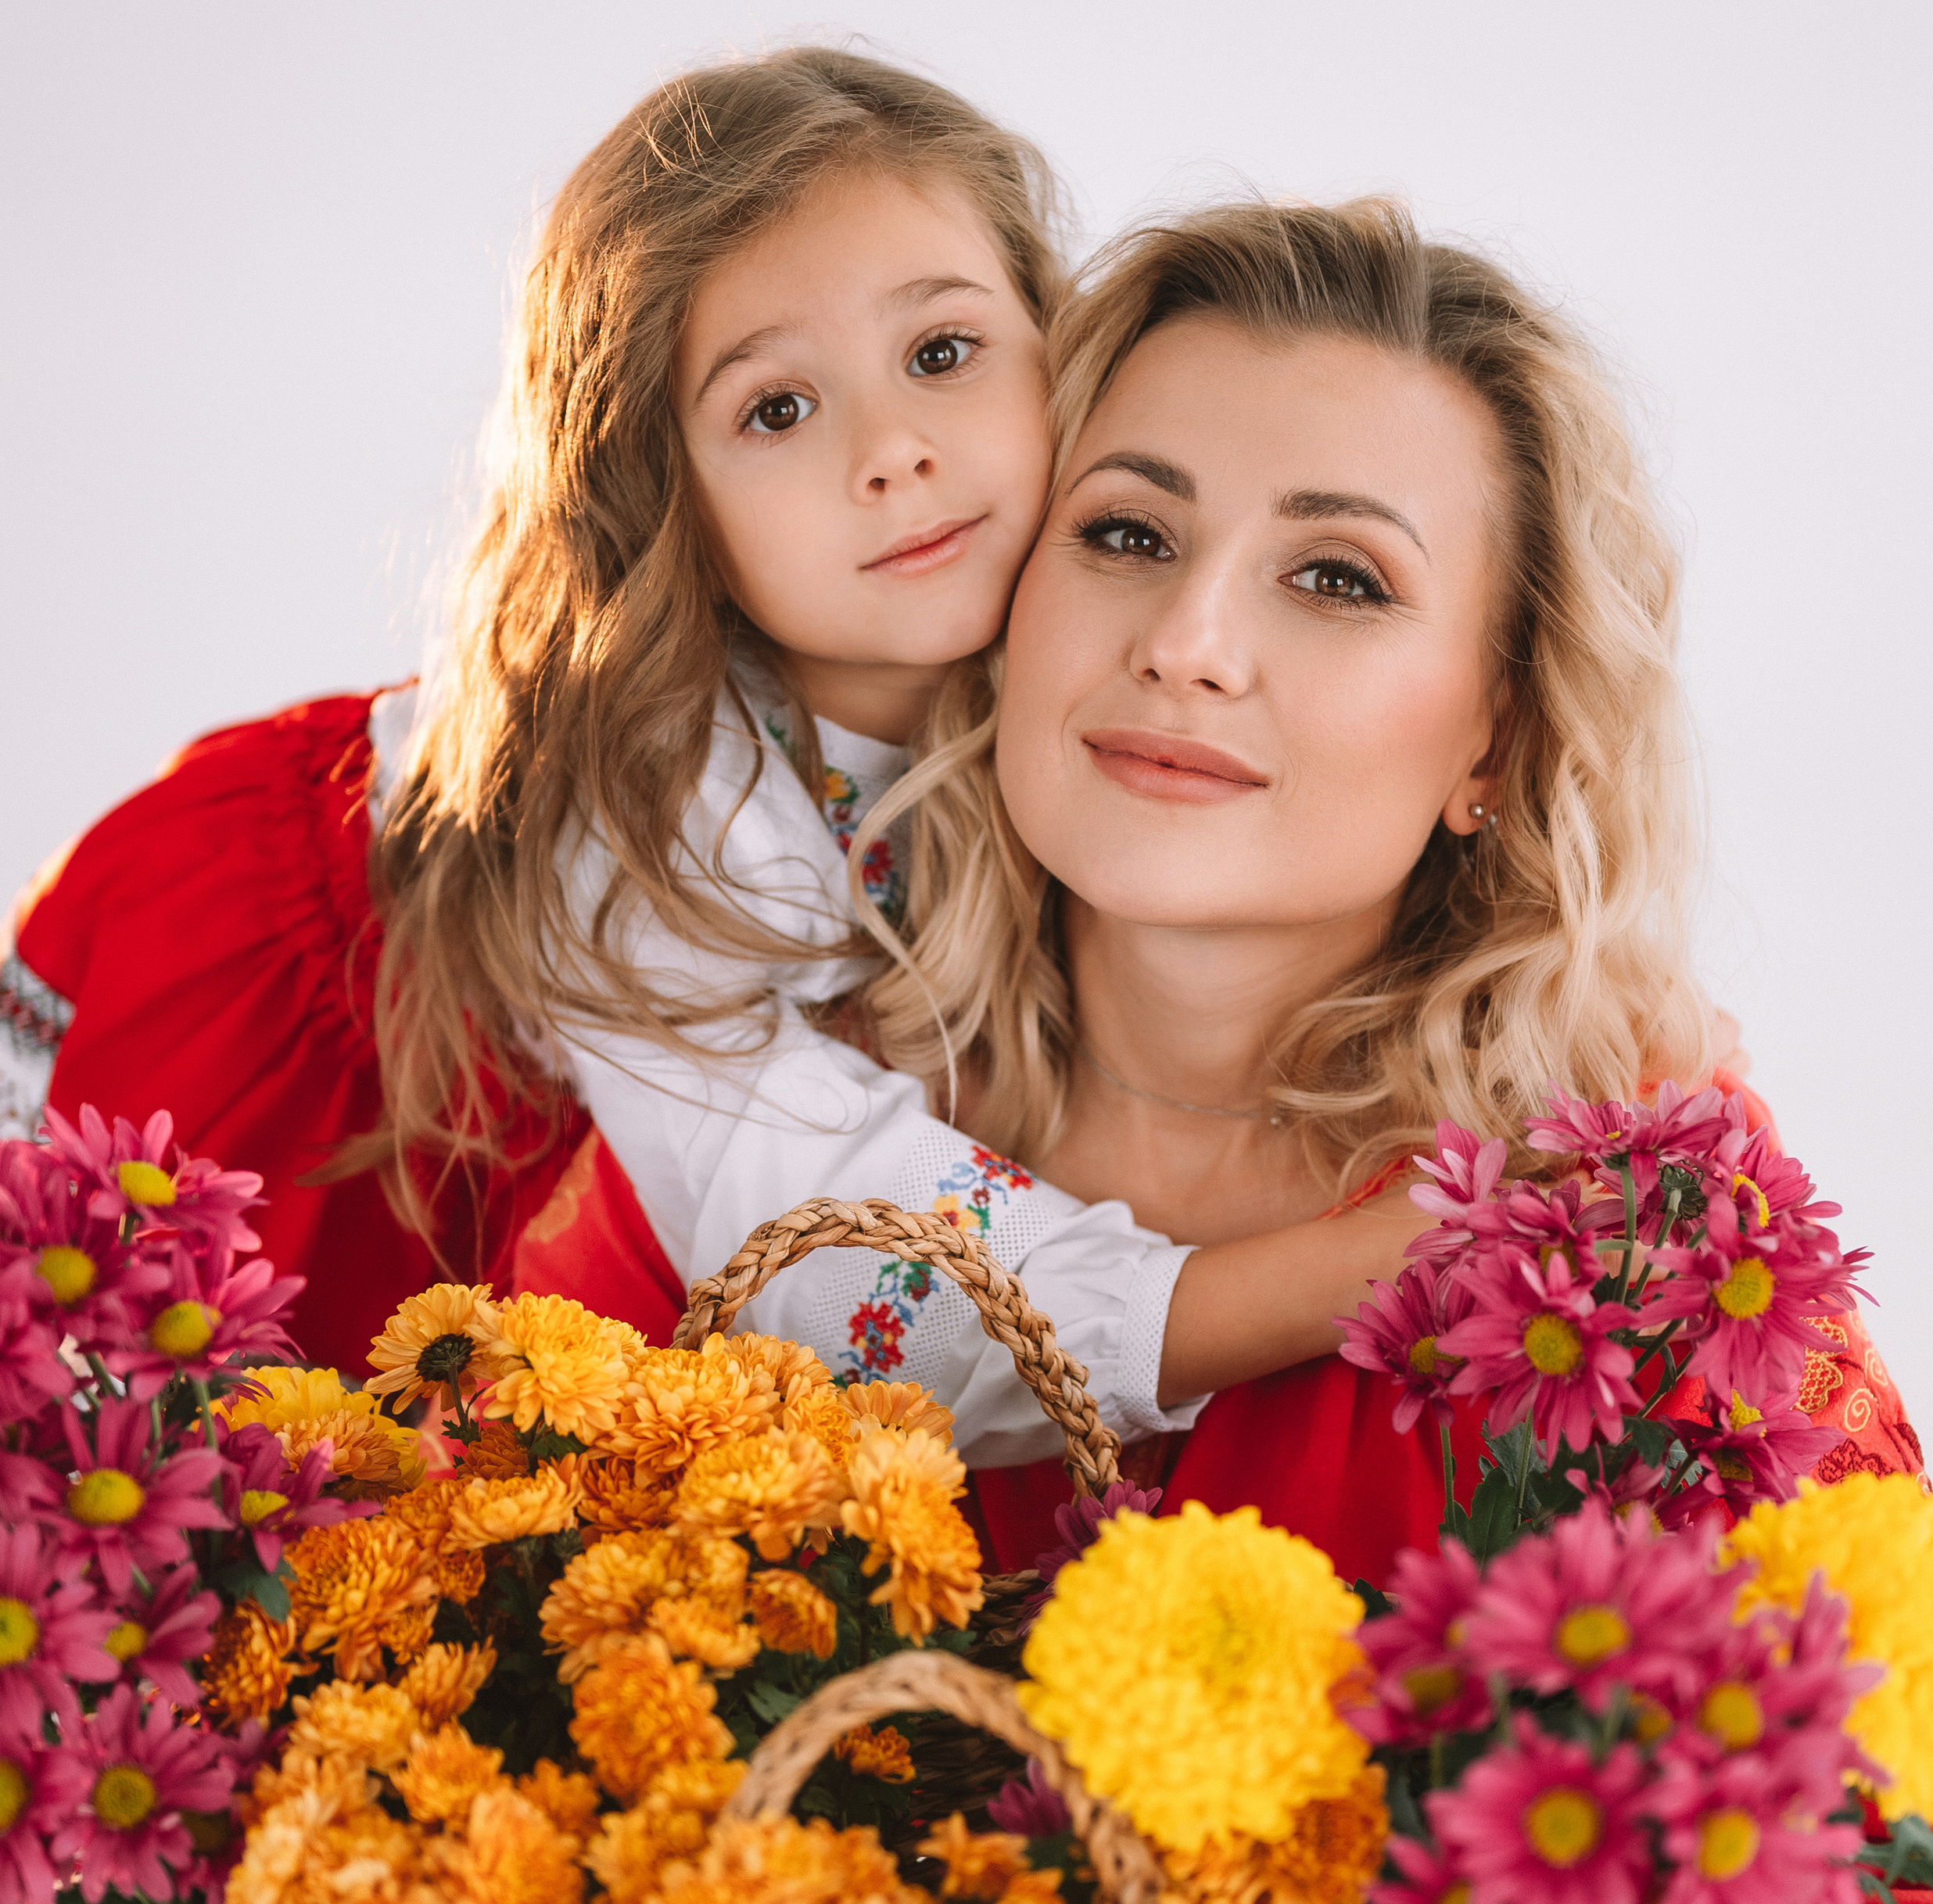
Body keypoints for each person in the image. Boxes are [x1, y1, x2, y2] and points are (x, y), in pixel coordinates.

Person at [62, 192, 1933, 1904]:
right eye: (1131, 529)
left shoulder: (1616, 1272)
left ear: (1495, 732)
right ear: (1006, 582)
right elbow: (322, 1713)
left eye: (1336, 579)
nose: (1191, 638)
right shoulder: (745, 1173)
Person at [13, 45, 1419, 1439]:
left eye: (942, 352)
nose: (894, 450)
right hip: (336, 1078)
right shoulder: (653, 809)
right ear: (663, 494)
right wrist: (1339, 1272)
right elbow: (824, 1237)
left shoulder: (1111, 625)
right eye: (778, 409)